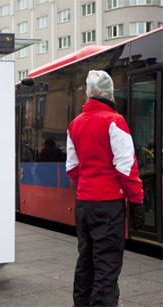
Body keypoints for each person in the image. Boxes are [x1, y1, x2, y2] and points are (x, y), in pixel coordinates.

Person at [66, 70, 145, 307]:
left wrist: (86, 190)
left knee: (86, 261)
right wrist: (137, 202)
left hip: (84, 205)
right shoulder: (114, 121)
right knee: (107, 265)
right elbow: (126, 168)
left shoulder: (74, 124)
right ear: (109, 92)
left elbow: (72, 167)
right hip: (108, 206)